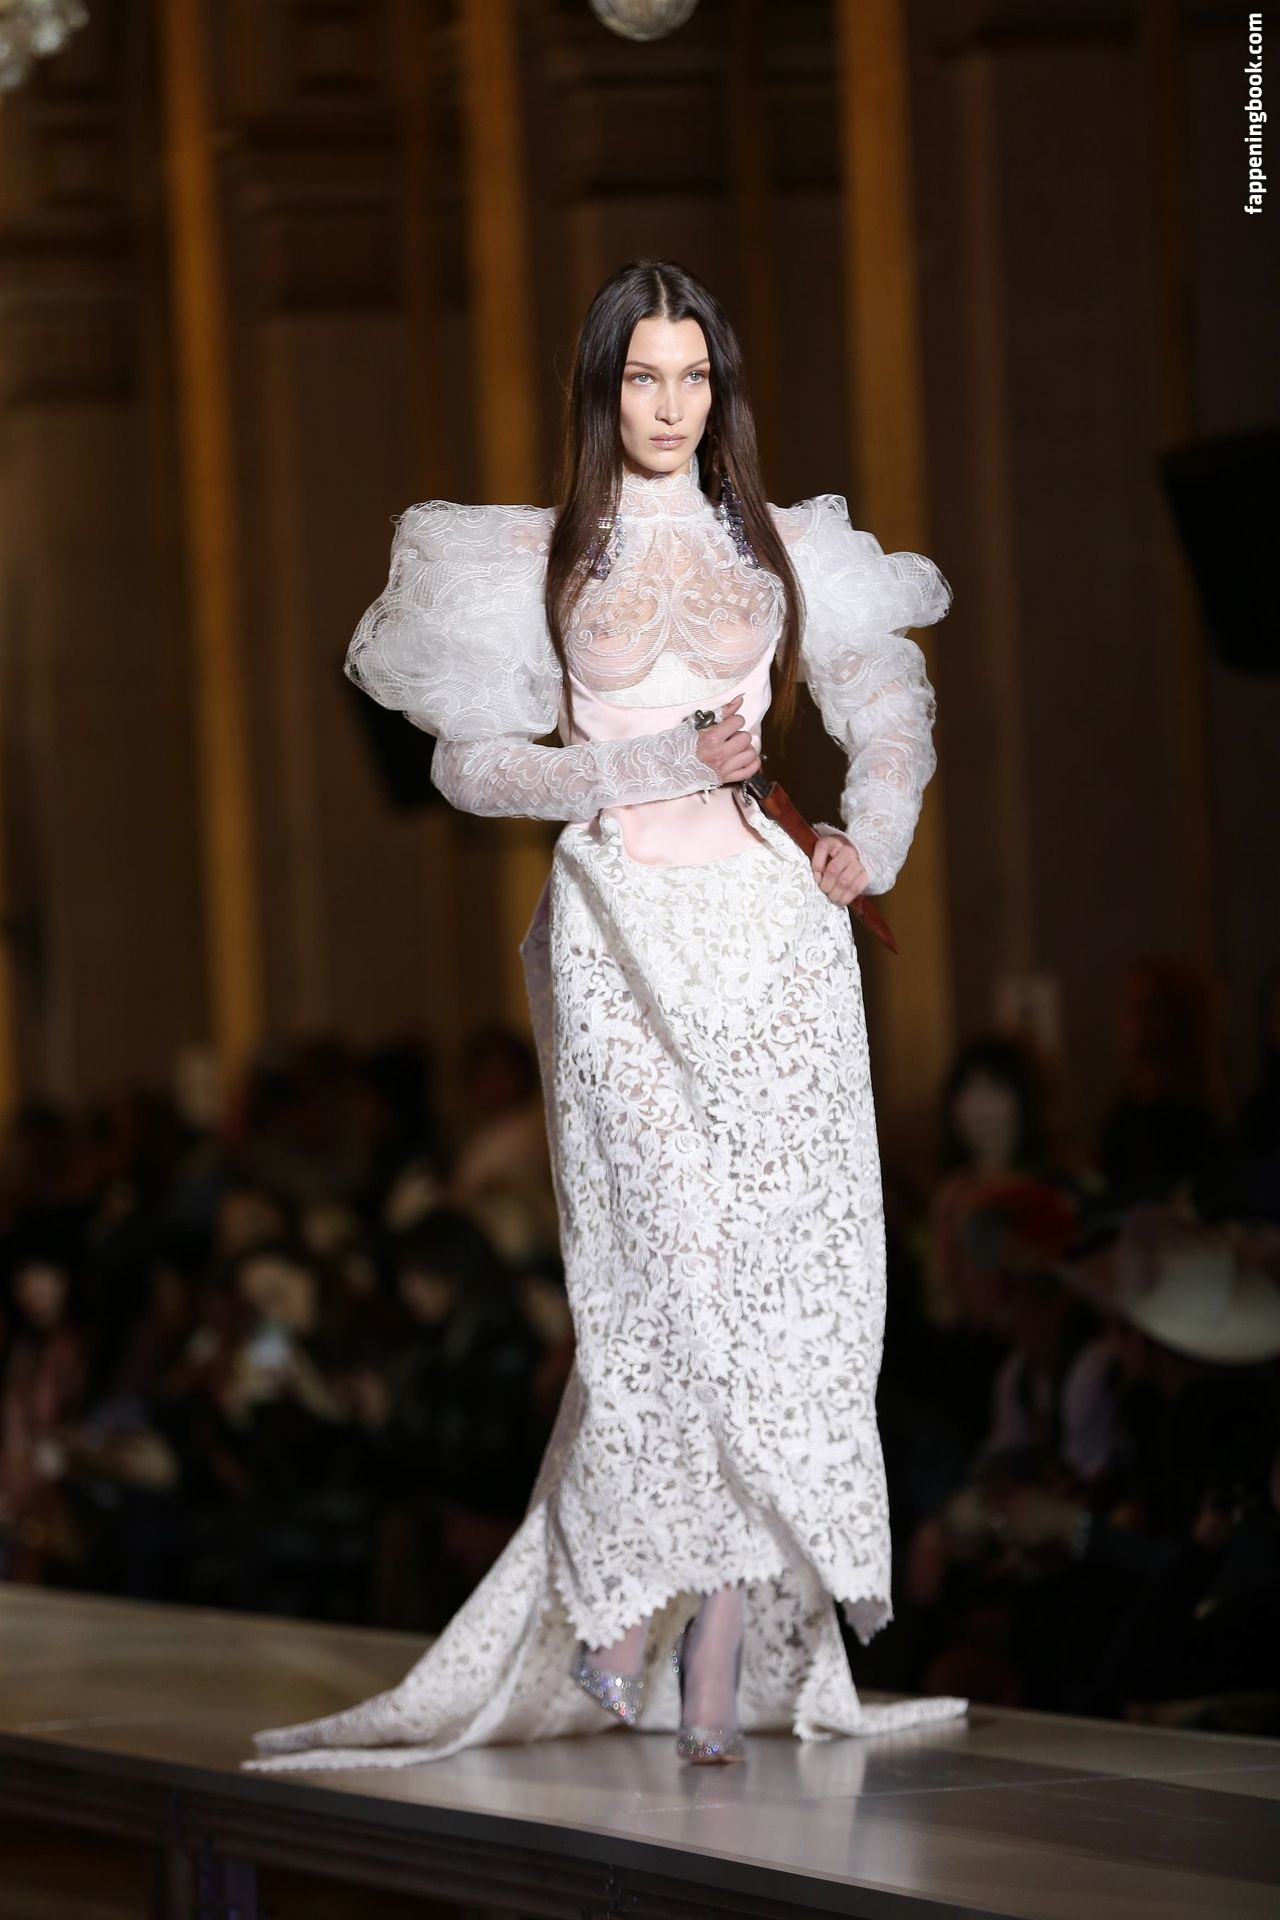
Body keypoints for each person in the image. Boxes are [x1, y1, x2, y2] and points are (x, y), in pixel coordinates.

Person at [247, 257, 968, 1773]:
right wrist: (644, 768)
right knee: (662, 1283)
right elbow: (467, 765)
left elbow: (890, 703)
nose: (670, 404)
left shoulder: (782, 546)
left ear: (722, 388)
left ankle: (713, 1654)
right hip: (620, 927)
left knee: (779, 1294)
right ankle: (626, 1602)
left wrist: (874, 839)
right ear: (602, 386)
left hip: (774, 937)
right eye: (645, 376)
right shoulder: (539, 558)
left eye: (694, 376)